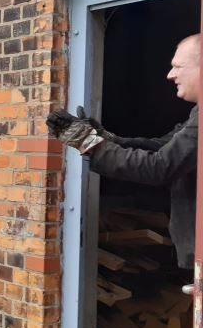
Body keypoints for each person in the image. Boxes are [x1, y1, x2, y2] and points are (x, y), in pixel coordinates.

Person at [47, 33, 199, 269]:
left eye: (178, 67)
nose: (170, 75)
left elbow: (159, 166)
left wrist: (89, 143)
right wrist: (108, 139)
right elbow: (161, 146)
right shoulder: (197, 114)